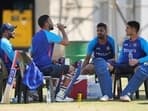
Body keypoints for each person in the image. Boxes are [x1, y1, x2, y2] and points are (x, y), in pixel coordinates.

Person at [31, 15, 76, 102]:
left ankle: (54, 94)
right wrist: (62, 29)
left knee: (57, 67)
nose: (52, 23)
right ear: (46, 23)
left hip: (37, 69)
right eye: (50, 21)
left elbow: (33, 54)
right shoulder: (49, 35)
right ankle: (60, 95)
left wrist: (50, 60)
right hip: (46, 68)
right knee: (71, 69)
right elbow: (66, 42)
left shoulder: (35, 36)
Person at [113, 20, 148, 102]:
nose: (125, 30)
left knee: (140, 69)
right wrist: (114, 63)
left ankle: (126, 94)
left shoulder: (142, 42)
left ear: (133, 29)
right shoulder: (125, 42)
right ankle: (108, 95)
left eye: (127, 28)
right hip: (123, 65)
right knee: (107, 66)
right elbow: (121, 56)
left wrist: (138, 61)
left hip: (136, 66)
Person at [81, 23, 115, 101]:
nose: (99, 32)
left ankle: (108, 93)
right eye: (97, 31)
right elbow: (87, 58)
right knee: (87, 68)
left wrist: (110, 63)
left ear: (106, 31)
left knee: (108, 68)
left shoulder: (111, 41)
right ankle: (83, 89)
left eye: (101, 30)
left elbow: (116, 57)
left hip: (109, 63)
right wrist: (81, 72)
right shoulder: (93, 42)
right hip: (97, 63)